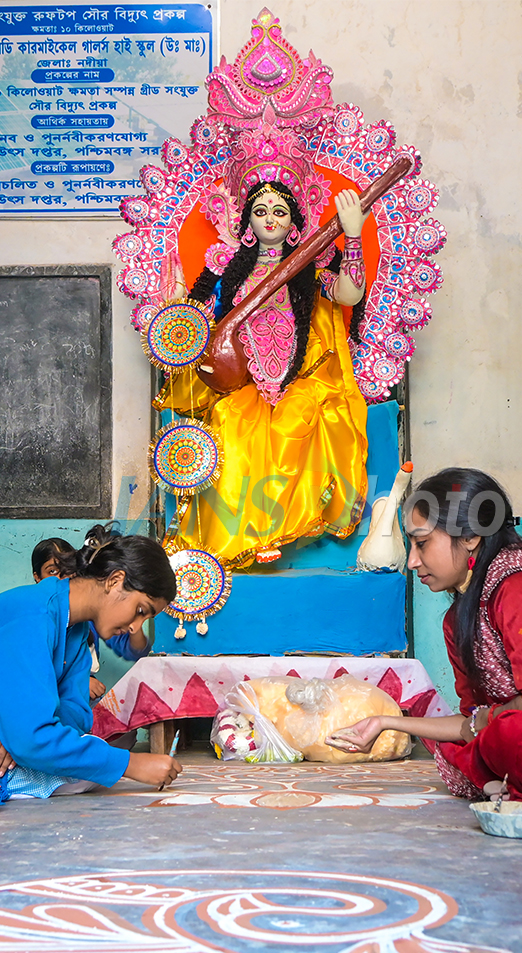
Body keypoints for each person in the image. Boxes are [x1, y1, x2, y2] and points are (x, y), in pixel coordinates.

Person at [326, 468, 522, 820]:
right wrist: (384, 722)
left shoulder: (518, 588)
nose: (412, 561)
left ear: (471, 536)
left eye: (422, 543)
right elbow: (470, 722)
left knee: (506, 735)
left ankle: (518, 786)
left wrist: (487, 722)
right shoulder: (457, 619)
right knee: (457, 747)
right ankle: (517, 786)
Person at [160, 180, 369, 568]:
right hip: (245, 385)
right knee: (229, 424)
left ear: (293, 223)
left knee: (296, 421)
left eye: (279, 211)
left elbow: (348, 295)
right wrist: (174, 310)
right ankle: (243, 537)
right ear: (247, 224)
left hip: (297, 383)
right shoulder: (229, 268)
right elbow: (193, 318)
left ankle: (273, 531)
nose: (270, 219)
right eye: (260, 211)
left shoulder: (309, 264)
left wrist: (353, 235)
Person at [0, 525, 182, 799]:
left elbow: (75, 714)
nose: (136, 627)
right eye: (140, 610)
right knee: (92, 766)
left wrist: (20, 731)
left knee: (92, 763)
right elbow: (32, 739)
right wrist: (130, 764)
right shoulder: (34, 616)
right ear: (115, 580)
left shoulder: (76, 627)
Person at [32, 536, 152, 700]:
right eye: (52, 571)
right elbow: (34, 673)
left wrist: (135, 620)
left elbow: (134, 651)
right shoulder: (33, 616)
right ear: (37, 577)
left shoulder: (89, 613)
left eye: (68, 570)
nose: (62, 578)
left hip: (81, 694)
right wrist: (80, 681)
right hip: (49, 694)